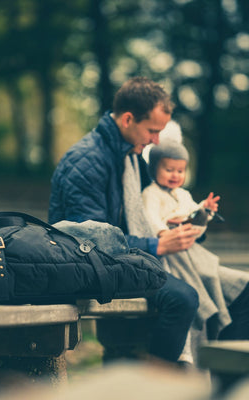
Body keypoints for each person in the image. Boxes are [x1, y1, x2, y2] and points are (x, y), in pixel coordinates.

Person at [48, 76, 199, 363]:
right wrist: (156, 246)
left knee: (240, 290)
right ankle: (156, 386)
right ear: (128, 119)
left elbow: (155, 207)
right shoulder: (87, 160)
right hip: (88, 265)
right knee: (183, 299)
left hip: (125, 258)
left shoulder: (131, 156)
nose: (156, 141)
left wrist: (189, 225)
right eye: (152, 131)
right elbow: (90, 241)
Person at [142, 139, 249, 363]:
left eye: (180, 170)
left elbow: (196, 224)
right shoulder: (150, 193)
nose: (175, 175)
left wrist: (204, 211)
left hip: (192, 252)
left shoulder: (183, 195)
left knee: (230, 280)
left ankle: (229, 358)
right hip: (172, 255)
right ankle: (193, 356)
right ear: (154, 169)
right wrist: (163, 232)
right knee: (199, 288)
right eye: (168, 169)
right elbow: (150, 218)